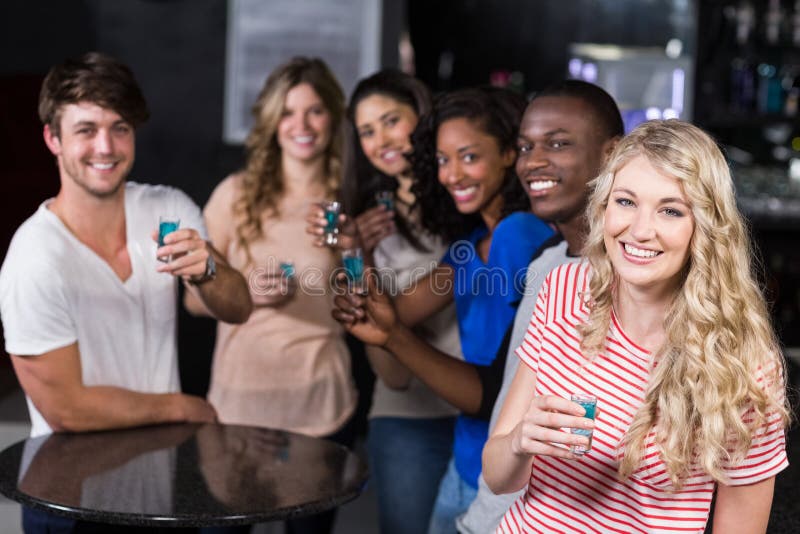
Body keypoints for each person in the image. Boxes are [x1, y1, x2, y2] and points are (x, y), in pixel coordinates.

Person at [483, 119, 790, 533]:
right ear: (603, 207)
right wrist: (521, 441)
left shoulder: (743, 362)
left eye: (670, 210)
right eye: (625, 202)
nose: (640, 231)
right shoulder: (564, 290)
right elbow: (498, 478)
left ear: (705, 227)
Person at [0, 51, 252, 534]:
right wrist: (181, 407)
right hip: (70, 496)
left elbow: (237, 307)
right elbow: (67, 409)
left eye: (120, 127)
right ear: (52, 138)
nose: (106, 146)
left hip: (156, 479)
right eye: (86, 129)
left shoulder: (166, 209)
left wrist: (207, 272)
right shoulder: (34, 256)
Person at [332, 87, 554, 533]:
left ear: (509, 155)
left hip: (505, 480)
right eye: (441, 161)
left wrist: (392, 333)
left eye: (468, 157)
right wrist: (357, 252)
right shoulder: (468, 251)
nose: (452, 174)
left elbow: (491, 395)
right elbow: (387, 312)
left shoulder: (520, 235)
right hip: (467, 464)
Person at [185, 57, 356, 534]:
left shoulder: (349, 201)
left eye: (315, 111)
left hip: (320, 409)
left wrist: (354, 250)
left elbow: (365, 304)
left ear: (333, 118)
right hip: (237, 410)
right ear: (271, 120)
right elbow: (193, 302)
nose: (301, 125)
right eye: (287, 112)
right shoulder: (234, 196)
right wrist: (245, 294)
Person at [456, 79, 624, 533]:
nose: (534, 162)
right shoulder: (545, 264)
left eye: (558, 144)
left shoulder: (636, 280)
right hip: (493, 516)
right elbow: (501, 392)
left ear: (612, 153)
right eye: (526, 146)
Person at [338, 69, 462, 534]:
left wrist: (404, 311)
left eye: (391, 121)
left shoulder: (470, 198)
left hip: (486, 413)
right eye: (367, 131)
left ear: (422, 116)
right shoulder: (367, 222)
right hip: (408, 420)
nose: (380, 140)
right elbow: (391, 371)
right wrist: (357, 254)